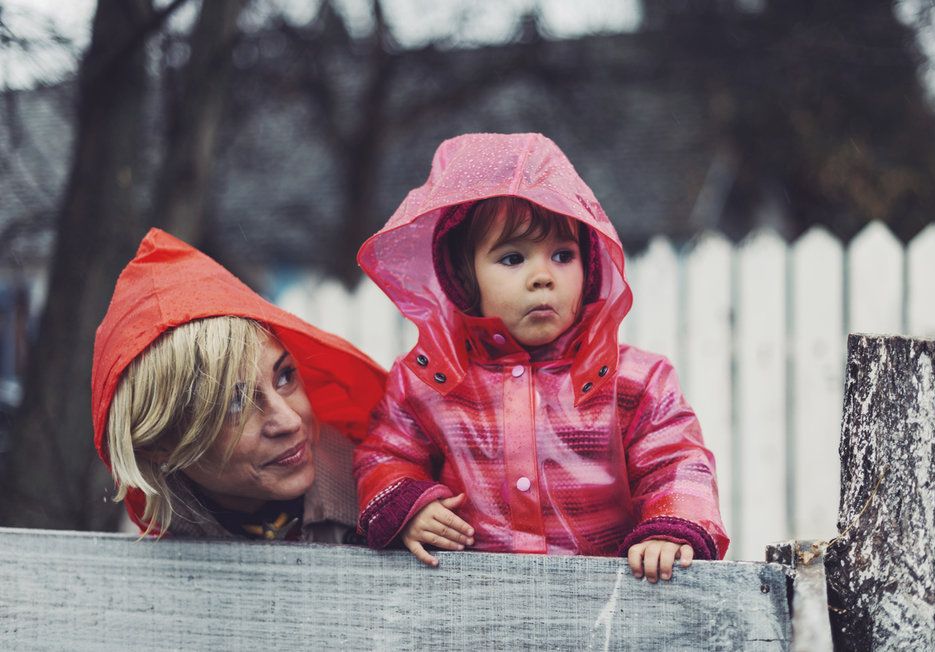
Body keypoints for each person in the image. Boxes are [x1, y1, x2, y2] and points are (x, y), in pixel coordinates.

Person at [354, 133, 728, 581]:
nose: (542, 277)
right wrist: (410, 505)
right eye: (512, 258)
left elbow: (676, 462)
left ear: (589, 266)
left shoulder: (636, 380)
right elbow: (385, 454)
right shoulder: (429, 381)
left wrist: (669, 528)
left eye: (563, 255)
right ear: (462, 276)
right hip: (469, 604)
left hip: (609, 606)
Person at [92, 228, 387, 541]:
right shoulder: (154, 559)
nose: (289, 420)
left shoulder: (397, 504)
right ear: (159, 445)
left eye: (285, 376)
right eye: (236, 402)